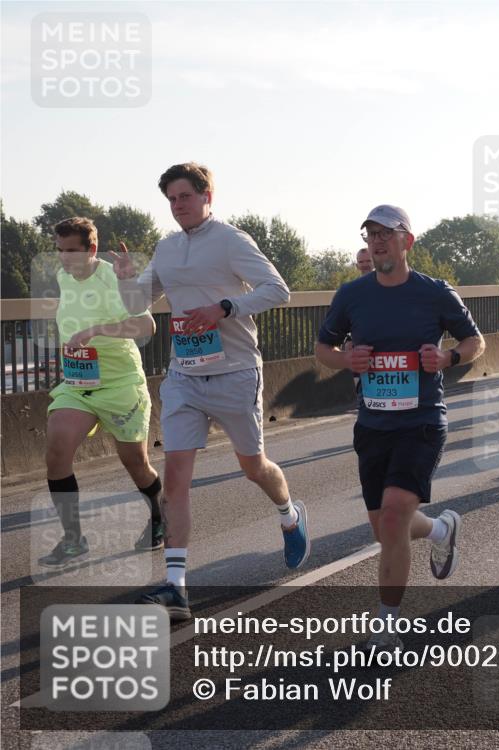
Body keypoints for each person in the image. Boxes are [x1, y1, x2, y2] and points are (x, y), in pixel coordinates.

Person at [114, 162, 306, 622]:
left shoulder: (231, 240)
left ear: (206, 196)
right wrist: (125, 276)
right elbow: (138, 303)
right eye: (171, 199)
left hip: (235, 372)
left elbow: (278, 289)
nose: (177, 206)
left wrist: (225, 307)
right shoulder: (166, 247)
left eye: (184, 196)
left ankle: (289, 514)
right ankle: (176, 586)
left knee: (253, 467)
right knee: (176, 477)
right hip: (184, 375)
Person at [315, 204, 485, 651]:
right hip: (373, 425)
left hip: (422, 422)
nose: (377, 241)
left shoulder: (434, 292)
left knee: (393, 516)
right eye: (371, 234)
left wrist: (449, 358)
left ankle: (387, 625)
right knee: (386, 528)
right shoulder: (353, 295)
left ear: (407, 241)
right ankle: (441, 530)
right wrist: (345, 360)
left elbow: (476, 341)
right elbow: (323, 348)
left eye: (387, 234)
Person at [39, 218, 163, 568]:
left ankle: (159, 515)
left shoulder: (113, 278)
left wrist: (96, 330)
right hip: (80, 383)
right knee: (57, 449)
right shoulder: (64, 277)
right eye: (59, 251)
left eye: (72, 251)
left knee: (136, 464)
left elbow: (146, 325)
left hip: (122, 383)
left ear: (91, 250)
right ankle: (73, 539)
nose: (64, 259)